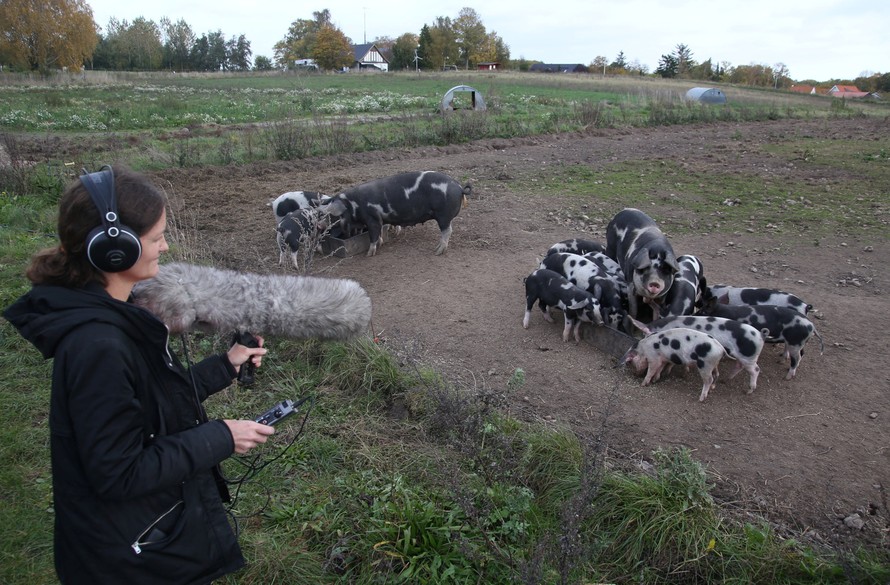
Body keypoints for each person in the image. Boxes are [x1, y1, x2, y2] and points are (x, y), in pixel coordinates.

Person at [3, 166, 274, 584]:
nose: (165, 246)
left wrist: (226, 364)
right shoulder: (99, 345)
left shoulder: (112, 315)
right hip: (129, 560)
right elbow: (120, 472)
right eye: (155, 238)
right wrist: (222, 436)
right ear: (115, 250)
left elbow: (145, 403)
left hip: (137, 536)